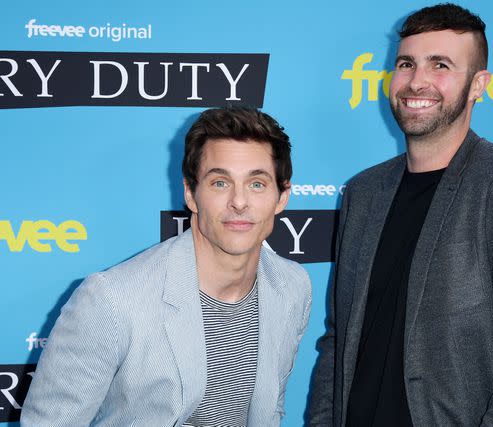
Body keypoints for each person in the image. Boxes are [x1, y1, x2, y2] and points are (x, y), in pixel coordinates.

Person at [307, 4, 493, 426]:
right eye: (406, 64)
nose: (417, 81)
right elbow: (338, 342)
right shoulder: (363, 192)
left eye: (441, 65)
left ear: (478, 85)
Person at [21, 108, 312, 427]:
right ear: (190, 192)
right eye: (219, 183)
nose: (239, 201)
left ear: (282, 196)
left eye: (257, 184)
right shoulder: (111, 300)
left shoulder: (292, 286)